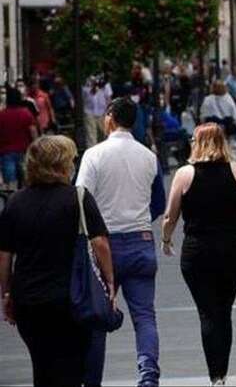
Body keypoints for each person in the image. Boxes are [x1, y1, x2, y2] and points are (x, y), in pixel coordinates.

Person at [0, 136, 114, 387]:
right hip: (71, 298)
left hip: (28, 300)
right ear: (62, 164)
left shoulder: (15, 202)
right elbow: (100, 244)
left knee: (42, 366)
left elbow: (5, 255)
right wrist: (109, 283)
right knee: (72, 366)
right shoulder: (78, 197)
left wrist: (7, 293)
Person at [161, 123, 236, 386]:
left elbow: (170, 216)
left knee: (207, 312)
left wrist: (166, 238)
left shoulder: (185, 175)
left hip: (197, 250)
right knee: (224, 311)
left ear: (197, 142)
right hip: (231, 248)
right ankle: (223, 372)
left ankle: (215, 376)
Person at [77, 98, 166, 387]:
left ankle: (92, 379)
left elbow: (81, 198)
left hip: (104, 243)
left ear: (111, 117)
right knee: (145, 315)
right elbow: (158, 203)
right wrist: (139, 219)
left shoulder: (93, 155)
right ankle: (148, 375)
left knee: (96, 314)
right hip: (141, 241)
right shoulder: (148, 156)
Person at [0, 88, 38, 190]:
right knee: (26, 180)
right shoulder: (26, 113)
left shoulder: (2, 115)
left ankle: (11, 201)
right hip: (24, 151)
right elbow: (33, 132)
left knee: (10, 183)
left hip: (6, 152)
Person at [83, 77, 114, 147]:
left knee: (104, 134)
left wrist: (109, 113)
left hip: (103, 112)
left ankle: (104, 152)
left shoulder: (104, 82)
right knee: (91, 135)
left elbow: (108, 98)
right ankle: (92, 154)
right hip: (89, 111)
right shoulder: (85, 81)